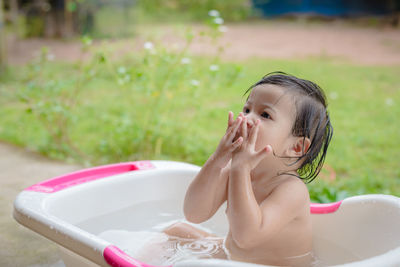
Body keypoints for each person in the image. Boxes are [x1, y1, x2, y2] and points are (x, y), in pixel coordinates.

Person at [163, 72, 333, 266]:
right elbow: (194, 213)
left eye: (265, 114)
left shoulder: (291, 190)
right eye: (247, 109)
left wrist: (240, 169)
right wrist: (218, 160)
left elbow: (246, 238)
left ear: (296, 147)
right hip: (235, 259)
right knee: (176, 230)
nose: (246, 118)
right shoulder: (235, 169)